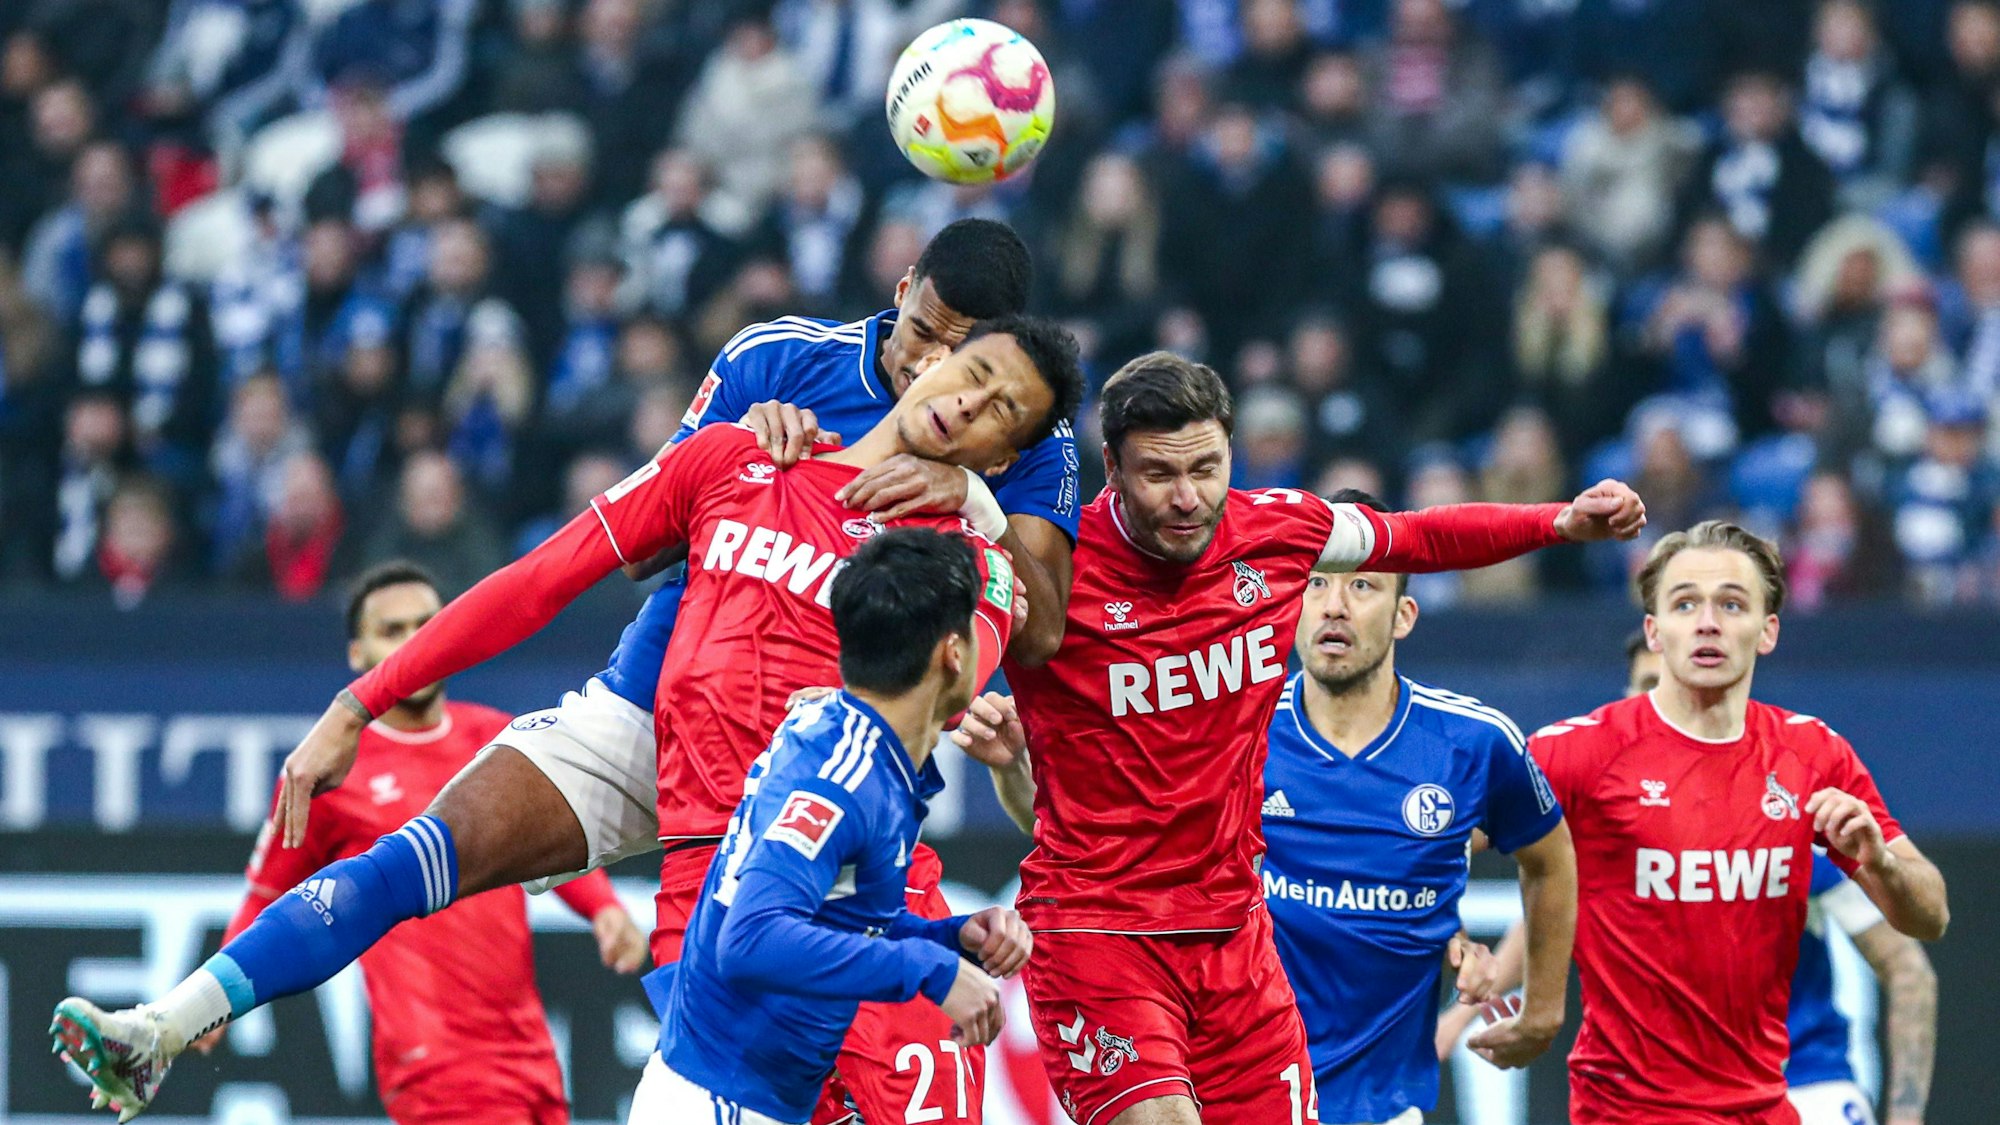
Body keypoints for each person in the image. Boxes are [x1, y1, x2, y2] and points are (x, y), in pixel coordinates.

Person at [52, 315, 1083, 1124]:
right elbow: (537, 580)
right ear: (929, 360)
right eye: (972, 372)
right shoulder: (736, 455)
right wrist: (359, 700)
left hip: (778, 846)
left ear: (1002, 454)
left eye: (1003, 411)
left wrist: (980, 515)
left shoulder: (968, 564)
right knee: (413, 858)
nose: (971, 401)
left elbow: (946, 691)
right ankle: (162, 1026)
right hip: (646, 734)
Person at [998, 351, 1646, 1125]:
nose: (1187, 497)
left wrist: (1558, 521)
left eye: (1206, 467)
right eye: (1157, 474)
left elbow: (1418, 539)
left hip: (1232, 932)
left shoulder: (1278, 530)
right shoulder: (1054, 569)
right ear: (1111, 464)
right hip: (1100, 929)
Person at [52, 562, 646, 1125]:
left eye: (428, 627)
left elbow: (545, 829)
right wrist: (205, 1007)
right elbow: (266, 895)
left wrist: (602, 908)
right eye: (393, 631)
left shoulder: (494, 736)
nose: (414, 642)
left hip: (531, 1053)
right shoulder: (328, 772)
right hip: (433, 1058)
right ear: (358, 654)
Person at [1526, 521, 1948, 1124]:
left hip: (1768, 1102)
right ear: (1655, 630)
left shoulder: (1813, 755)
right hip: (1627, 1110)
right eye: (1685, 604)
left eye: (1731, 603)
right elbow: (1454, 842)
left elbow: (1929, 919)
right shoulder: (1579, 752)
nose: (1707, 622)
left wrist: (1879, 861)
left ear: (1767, 630)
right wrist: (1464, 951)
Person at [1450, 628, 1939, 1125]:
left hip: (1800, 1082)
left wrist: (1905, 1114)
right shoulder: (1601, 799)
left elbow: (1907, 960)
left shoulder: (1779, 815)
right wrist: (1460, 1009)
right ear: (1626, 696)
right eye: (1649, 685)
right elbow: (1545, 907)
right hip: (1651, 1094)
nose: (1667, 704)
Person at [634, 529, 1033, 1124]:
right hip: (724, 1101)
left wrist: (953, 937)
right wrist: (931, 969)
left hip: (749, 1096)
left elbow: (841, 919)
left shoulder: (856, 740)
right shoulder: (843, 779)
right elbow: (749, 941)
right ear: (955, 652)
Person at [1260, 489, 1578, 1125]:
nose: (1334, 606)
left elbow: (1552, 860)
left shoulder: (1472, 743)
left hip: (1384, 1109)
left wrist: (1542, 1009)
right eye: (1316, 581)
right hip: (1239, 1093)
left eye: (1363, 586)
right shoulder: (1236, 728)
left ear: (1404, 615)